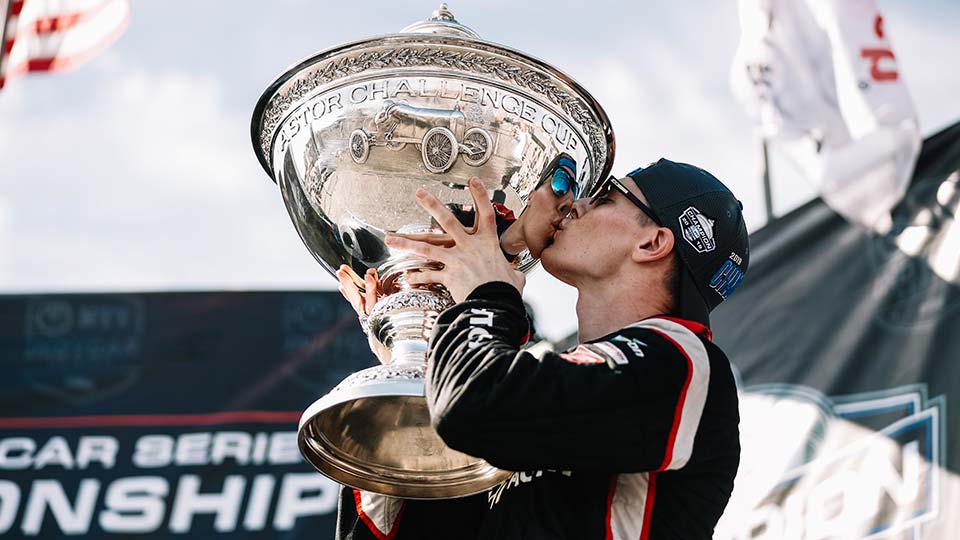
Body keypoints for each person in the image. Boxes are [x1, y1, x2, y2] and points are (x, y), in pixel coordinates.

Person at [380, 158, 750, 539]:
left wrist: (488, 291)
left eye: (606, 198)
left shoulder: (686, 362)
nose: (577, 203)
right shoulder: (544, 392)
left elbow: (474, 406)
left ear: (652, 242)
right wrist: (409, 360)